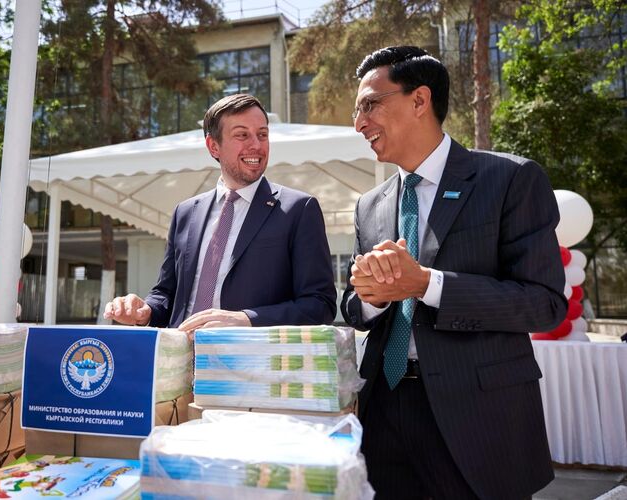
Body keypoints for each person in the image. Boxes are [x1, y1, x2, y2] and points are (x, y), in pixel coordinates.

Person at [341, 46, 567, 499]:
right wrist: (371, 296)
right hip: (383, 410)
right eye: (357, 111)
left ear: (419, 100)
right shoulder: (369, 205)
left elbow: (543, 303)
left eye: (370, 105)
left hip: (478, 417)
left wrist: (427, 284)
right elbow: (353, 306)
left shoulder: (509, 179)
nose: (359, 123)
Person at [105, 94, 336, 331]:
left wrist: (246, 319)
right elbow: (166, 294)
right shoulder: (185, 213)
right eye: (242, 135)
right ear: (213, 146)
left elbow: (320, 305)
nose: (256, 145)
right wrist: (146, 311)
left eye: (262, 135)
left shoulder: (299, 209)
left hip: (248, 353)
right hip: (180, 351)